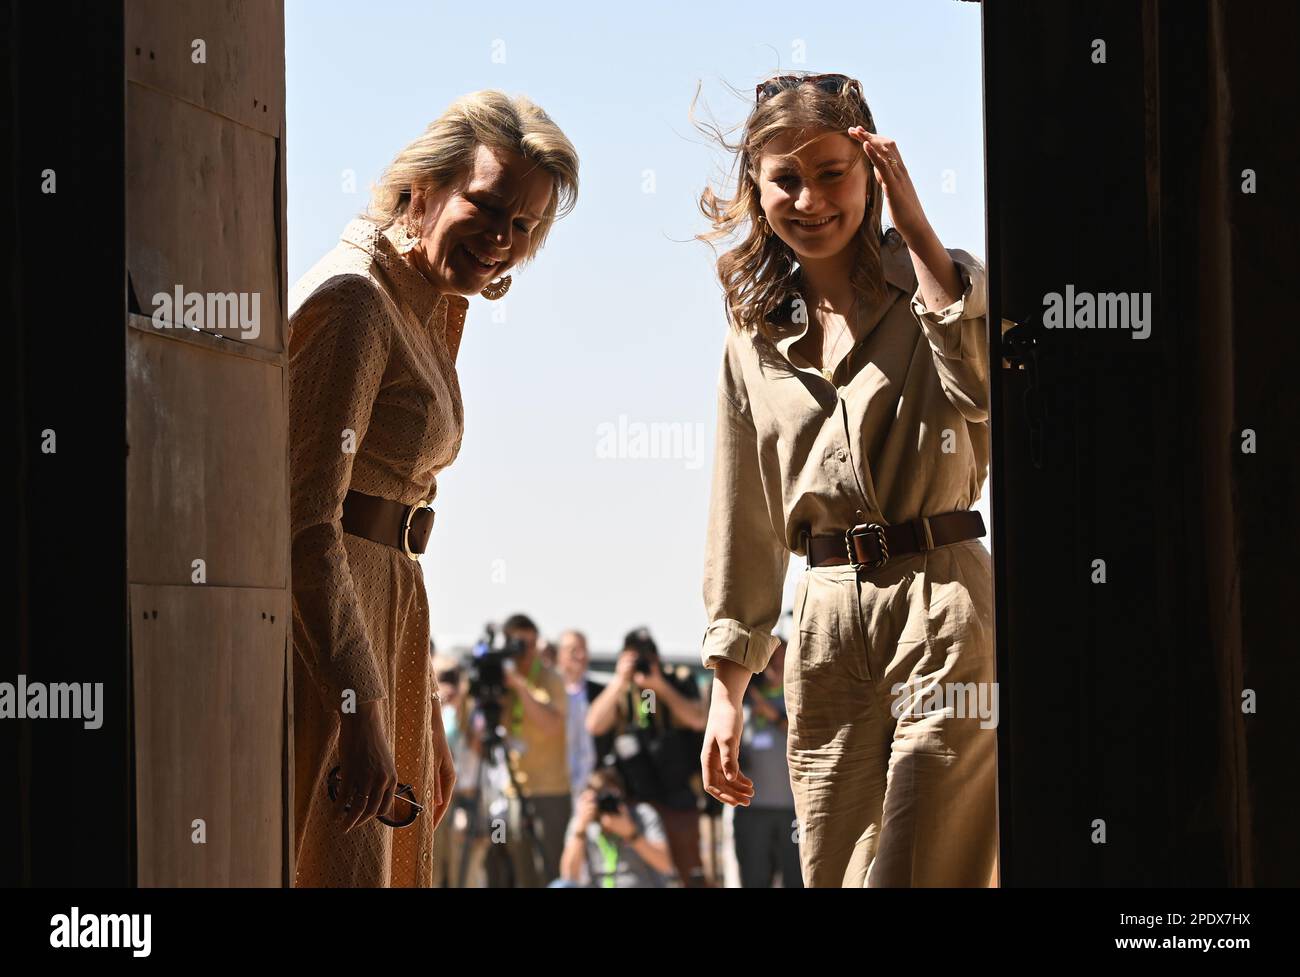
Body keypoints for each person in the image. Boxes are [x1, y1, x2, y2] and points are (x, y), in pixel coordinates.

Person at [696, 72, 997, 887]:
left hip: (940, 603)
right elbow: (744, 513)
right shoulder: (752, 334)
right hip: (822, 626)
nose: (810, 198)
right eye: (784, 178)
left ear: (874, 173)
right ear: (756, 191)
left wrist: (920, 232)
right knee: (835, 873)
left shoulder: (944, 283)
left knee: (917, 870)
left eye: (833, 172)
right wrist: (728, 684)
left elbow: (980, 392)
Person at [288, 91, 579, 887]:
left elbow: (392, 522)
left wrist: (419, 711)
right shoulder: (356, 300)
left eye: (523, 227)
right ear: (423, 188)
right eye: (486, 207)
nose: (501, 240)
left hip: (388, 621)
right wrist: (361, 701)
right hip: (332, 639)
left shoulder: (430, 304)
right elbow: (305, 523)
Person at [586, 627, 709, 886]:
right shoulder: (619, 691)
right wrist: (620, 681)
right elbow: (594, 725)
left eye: (646, 657)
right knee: (646, 873)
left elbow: (697, 719)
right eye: (634, 657)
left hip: (678, 800)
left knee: (690, 874)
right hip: (637, 804)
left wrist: (659, 687)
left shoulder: (677, 679)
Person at [497, 613, 572, 887]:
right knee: (522, 874)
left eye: (530, 644)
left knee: (551, 871)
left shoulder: (550, 678)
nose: (525, 652)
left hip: (550, 792)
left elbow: (552, 724)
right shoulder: (500, 679)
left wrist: (519, 685)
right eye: (517, 644)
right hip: (514, 791)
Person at [732, 639, 802, 887]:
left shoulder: (801, 695)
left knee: (797, 879)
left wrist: (773, 715)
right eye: (769, 659)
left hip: (793, 811)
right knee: (754, 879)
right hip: (752, 811)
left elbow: (805, 735)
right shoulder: (743, 698)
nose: (775, 663)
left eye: (781, 657)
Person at [556, 768, 673, 888]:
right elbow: (568, 876)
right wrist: (580, 832)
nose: (607, 804)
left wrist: (632, 835)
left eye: (612, 798)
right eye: (601, 800)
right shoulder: (582, 822)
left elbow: (665, 865)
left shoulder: (642, 815)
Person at [555, 629, 603, 801]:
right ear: (560, 655)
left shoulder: (600, 692)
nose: (580, 656)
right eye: (573, 650)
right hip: (555, 785)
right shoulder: (548, 691)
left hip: (590, 788)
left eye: (584, 650)